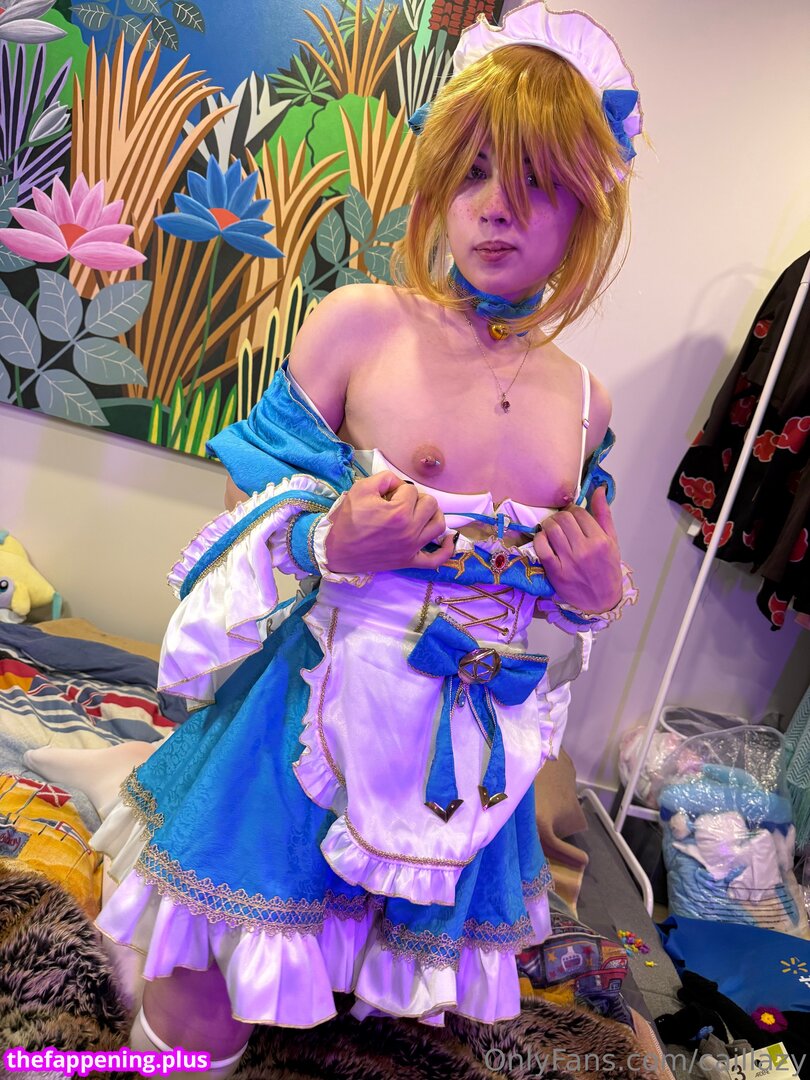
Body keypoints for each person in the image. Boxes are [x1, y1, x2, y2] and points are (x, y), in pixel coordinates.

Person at [29, 3, 641, 1075]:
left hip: (462, 748)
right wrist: (328, 539)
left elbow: (571, 577)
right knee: (204, 988)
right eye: (473, 172)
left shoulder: (588, 398)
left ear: (587, 206)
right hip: (312, 709)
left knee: (351, 969)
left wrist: (598, 592)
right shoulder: (362, 322)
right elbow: (254, 493)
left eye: (537, 181)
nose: (497, 207)